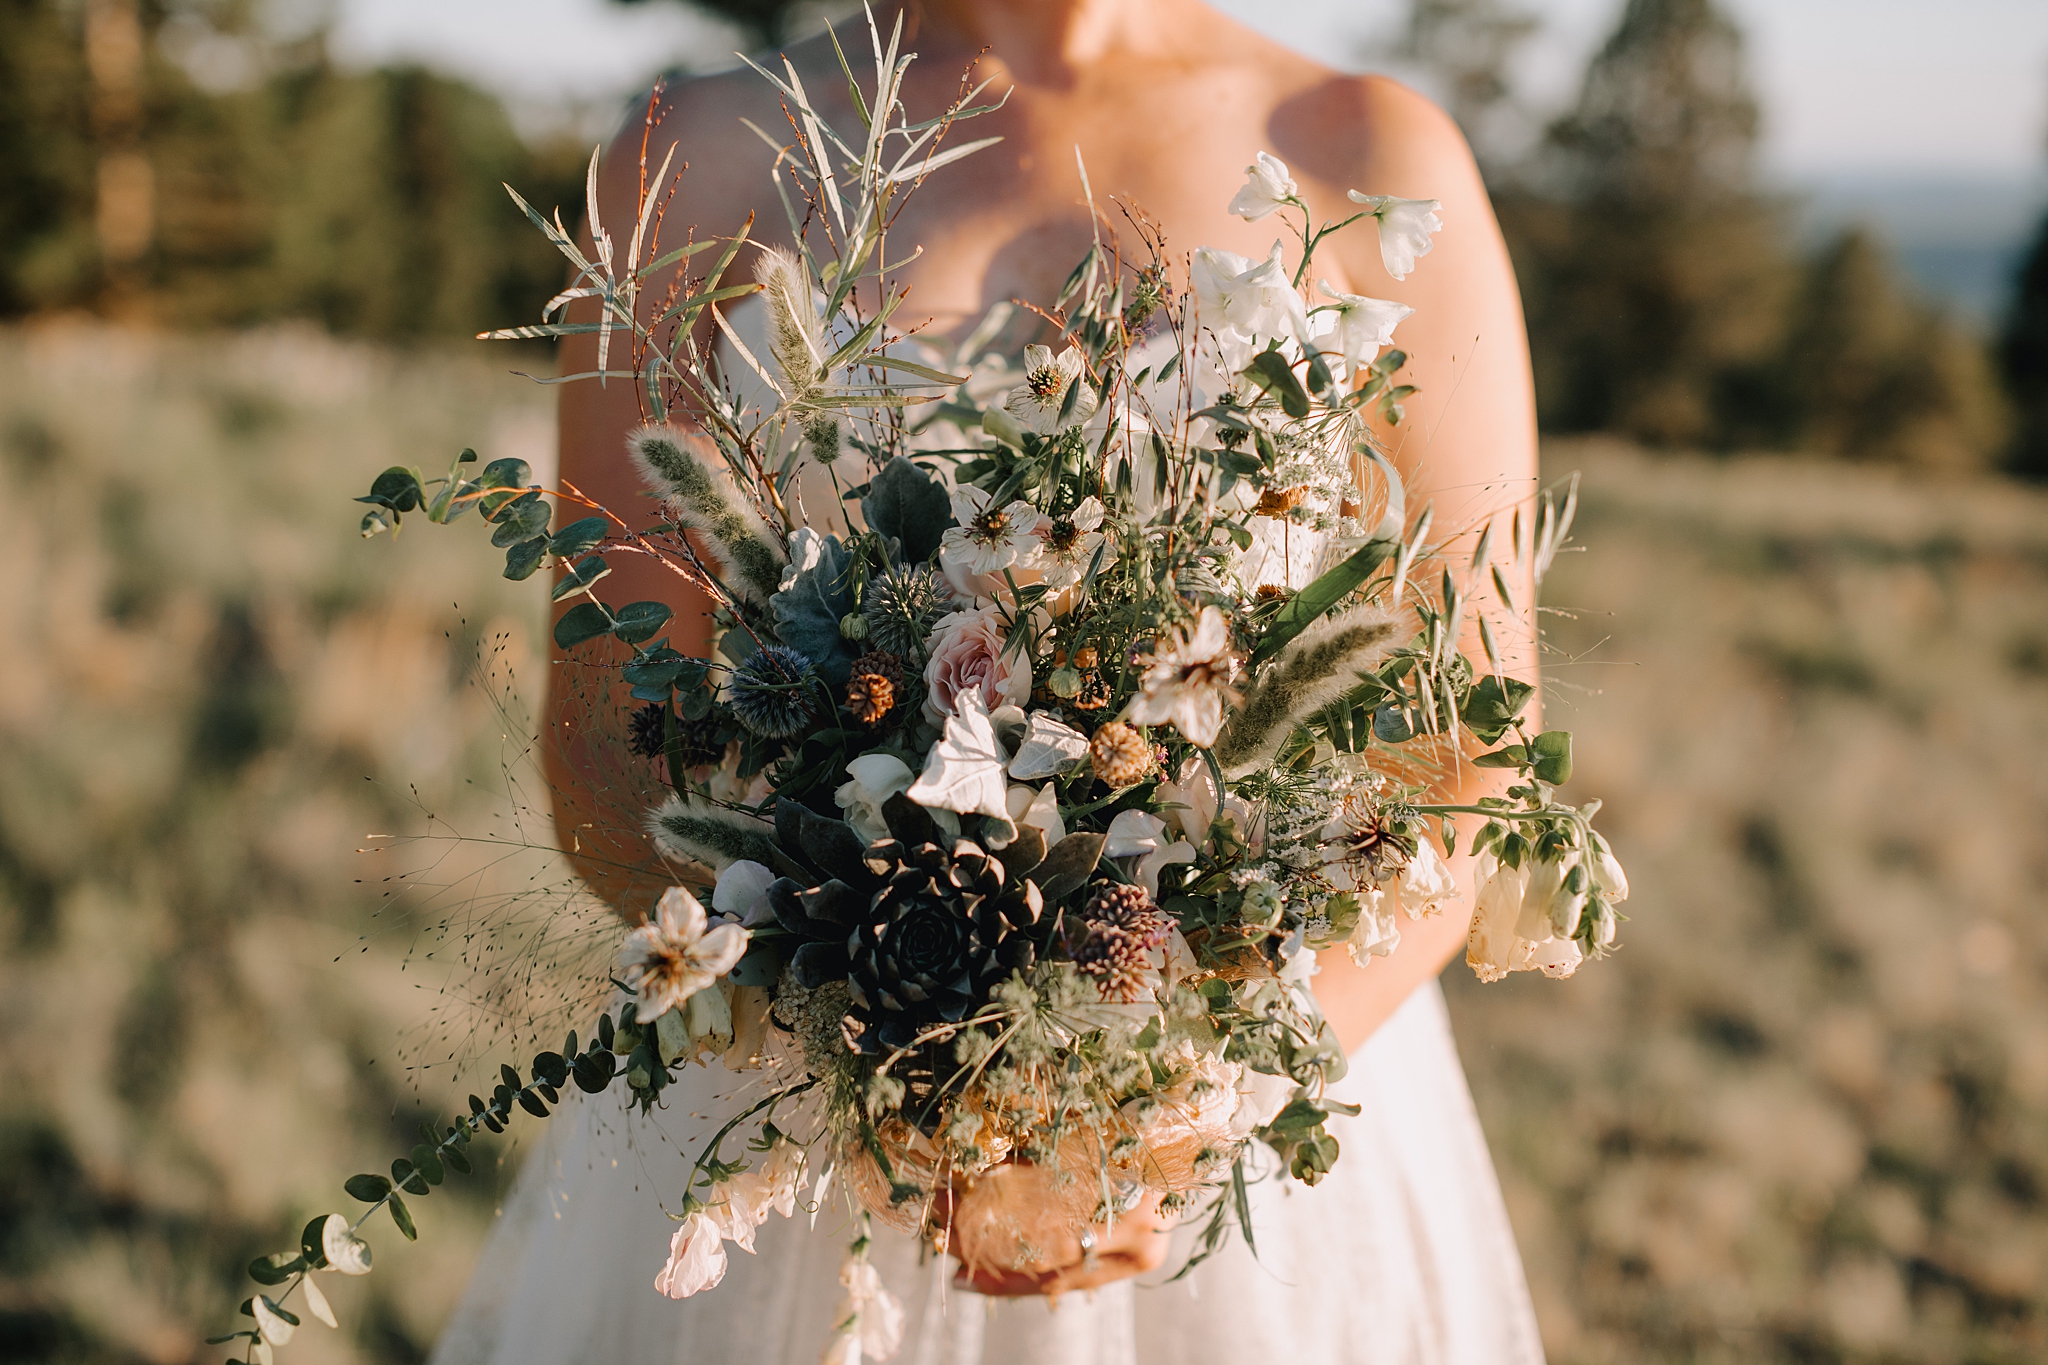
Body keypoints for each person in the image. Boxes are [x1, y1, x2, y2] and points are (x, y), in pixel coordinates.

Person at [432, 2, 1546, 1361]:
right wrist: (895, 1078)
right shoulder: (699, 155)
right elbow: (607, 745)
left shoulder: (1365, 155)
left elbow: (1470, 759)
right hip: (796, 1115)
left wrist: (1190, 1100)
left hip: (1233, 1137)